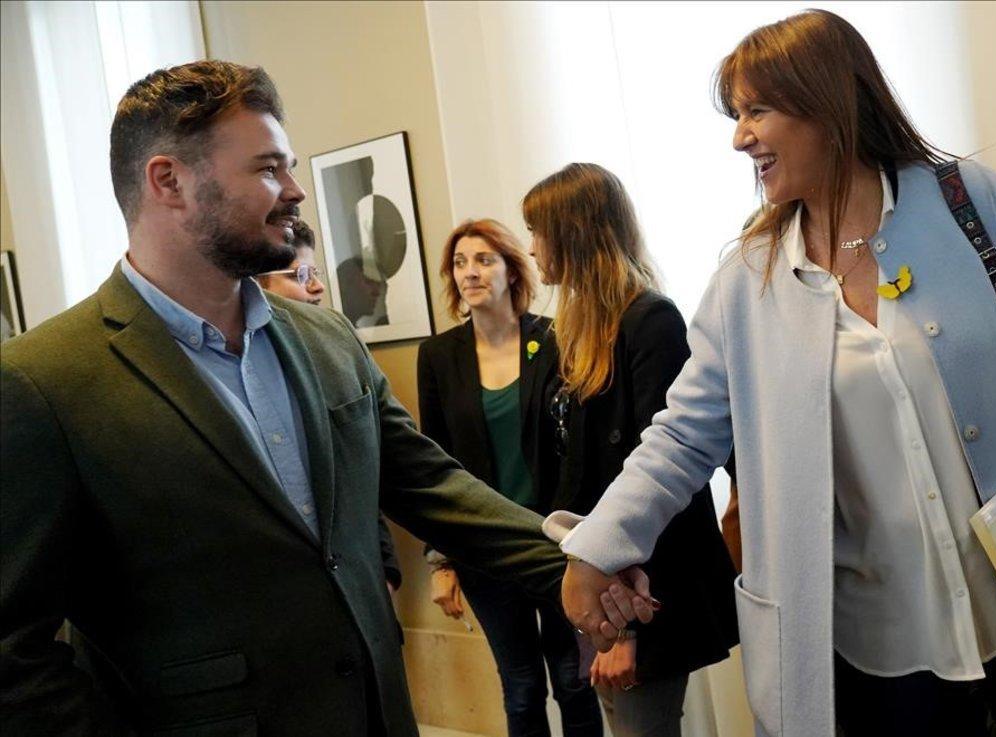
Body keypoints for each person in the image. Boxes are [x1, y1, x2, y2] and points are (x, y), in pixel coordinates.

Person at [0, 60, 649, 737]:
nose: (295, 190)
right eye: (268, 169)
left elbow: (432, 485)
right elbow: (14, 655)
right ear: (170, 181)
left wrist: (577, 555)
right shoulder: (42, 382)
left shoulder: (326, 338)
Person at [560, 10, 996, 737]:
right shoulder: (748, 282)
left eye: (757, 110)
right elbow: (680, 439)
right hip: (873, 653)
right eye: (738, 114)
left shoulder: (970, 202)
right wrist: (597, 547)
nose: (740, 135)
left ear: (828, 104)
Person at [523, 163, 739, 737]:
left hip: (643, 596)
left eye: (538, 230)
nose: (532, 246)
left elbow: (661, 479)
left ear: (573, 231)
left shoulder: (650, 321)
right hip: (588, 580)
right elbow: (563, 474)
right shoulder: (560, 334)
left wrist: (625, 630)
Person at [415, 218, 603, 737]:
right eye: (459, 263)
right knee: (520, 688)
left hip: (555, 544)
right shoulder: (438, 356)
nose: (469, 273)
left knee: (574, 680)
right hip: (485, 549)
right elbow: (432, 464)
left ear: (511, 270)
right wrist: (442, 561)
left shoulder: (557, 338)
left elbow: (579, 452)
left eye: (483, 260)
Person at [256, 219, 403, 598]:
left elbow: (364, 476)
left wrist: (384, 566)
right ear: (257, 288)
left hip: (361, 576)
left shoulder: (335, 347)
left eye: (315, 272)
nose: (317, 286)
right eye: (299, 275)